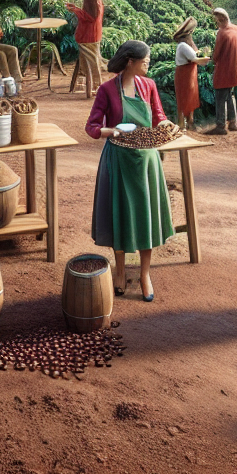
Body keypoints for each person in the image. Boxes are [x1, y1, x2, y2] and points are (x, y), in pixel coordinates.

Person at [85, 40, 176, 302]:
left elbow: (158, 116)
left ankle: (145, 274)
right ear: (130, 62)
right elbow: (91, 127)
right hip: (118, 160)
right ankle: (120, 271)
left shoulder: (148, 86)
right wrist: (110, 131)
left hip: (146, 160)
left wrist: (168, 124)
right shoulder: (106, 90)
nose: (148, 64)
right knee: (120, 216)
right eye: (145, 61)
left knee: (145, 216)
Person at [206, 7, 237, 135]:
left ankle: (220, 125)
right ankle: (233, 123)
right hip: (236, 68)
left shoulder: (222, 33)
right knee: (230, 94)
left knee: (220, 96)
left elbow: (216, 55)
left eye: (217, 21)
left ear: (221, 19)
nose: (217, 23)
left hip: (224, 68)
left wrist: (210, 58)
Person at [66, 0, 107, 92]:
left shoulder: (93, 3)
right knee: (91, 58)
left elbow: (89, 17)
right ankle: (87, 82)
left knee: (91, 61)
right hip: (94, 34)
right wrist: (76, 9)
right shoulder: (97, 0)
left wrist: (75, 10)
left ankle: (94, 83)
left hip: (88, 36)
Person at [171, 16, 206, 132]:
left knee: (189, 97)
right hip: (184, 75)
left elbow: (195, 54)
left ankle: (189, 122)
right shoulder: (183, 46)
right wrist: (208, 59)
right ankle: (183, 124)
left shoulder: (185, 45)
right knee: (184, 98)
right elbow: (194, 59)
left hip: (188, 74)